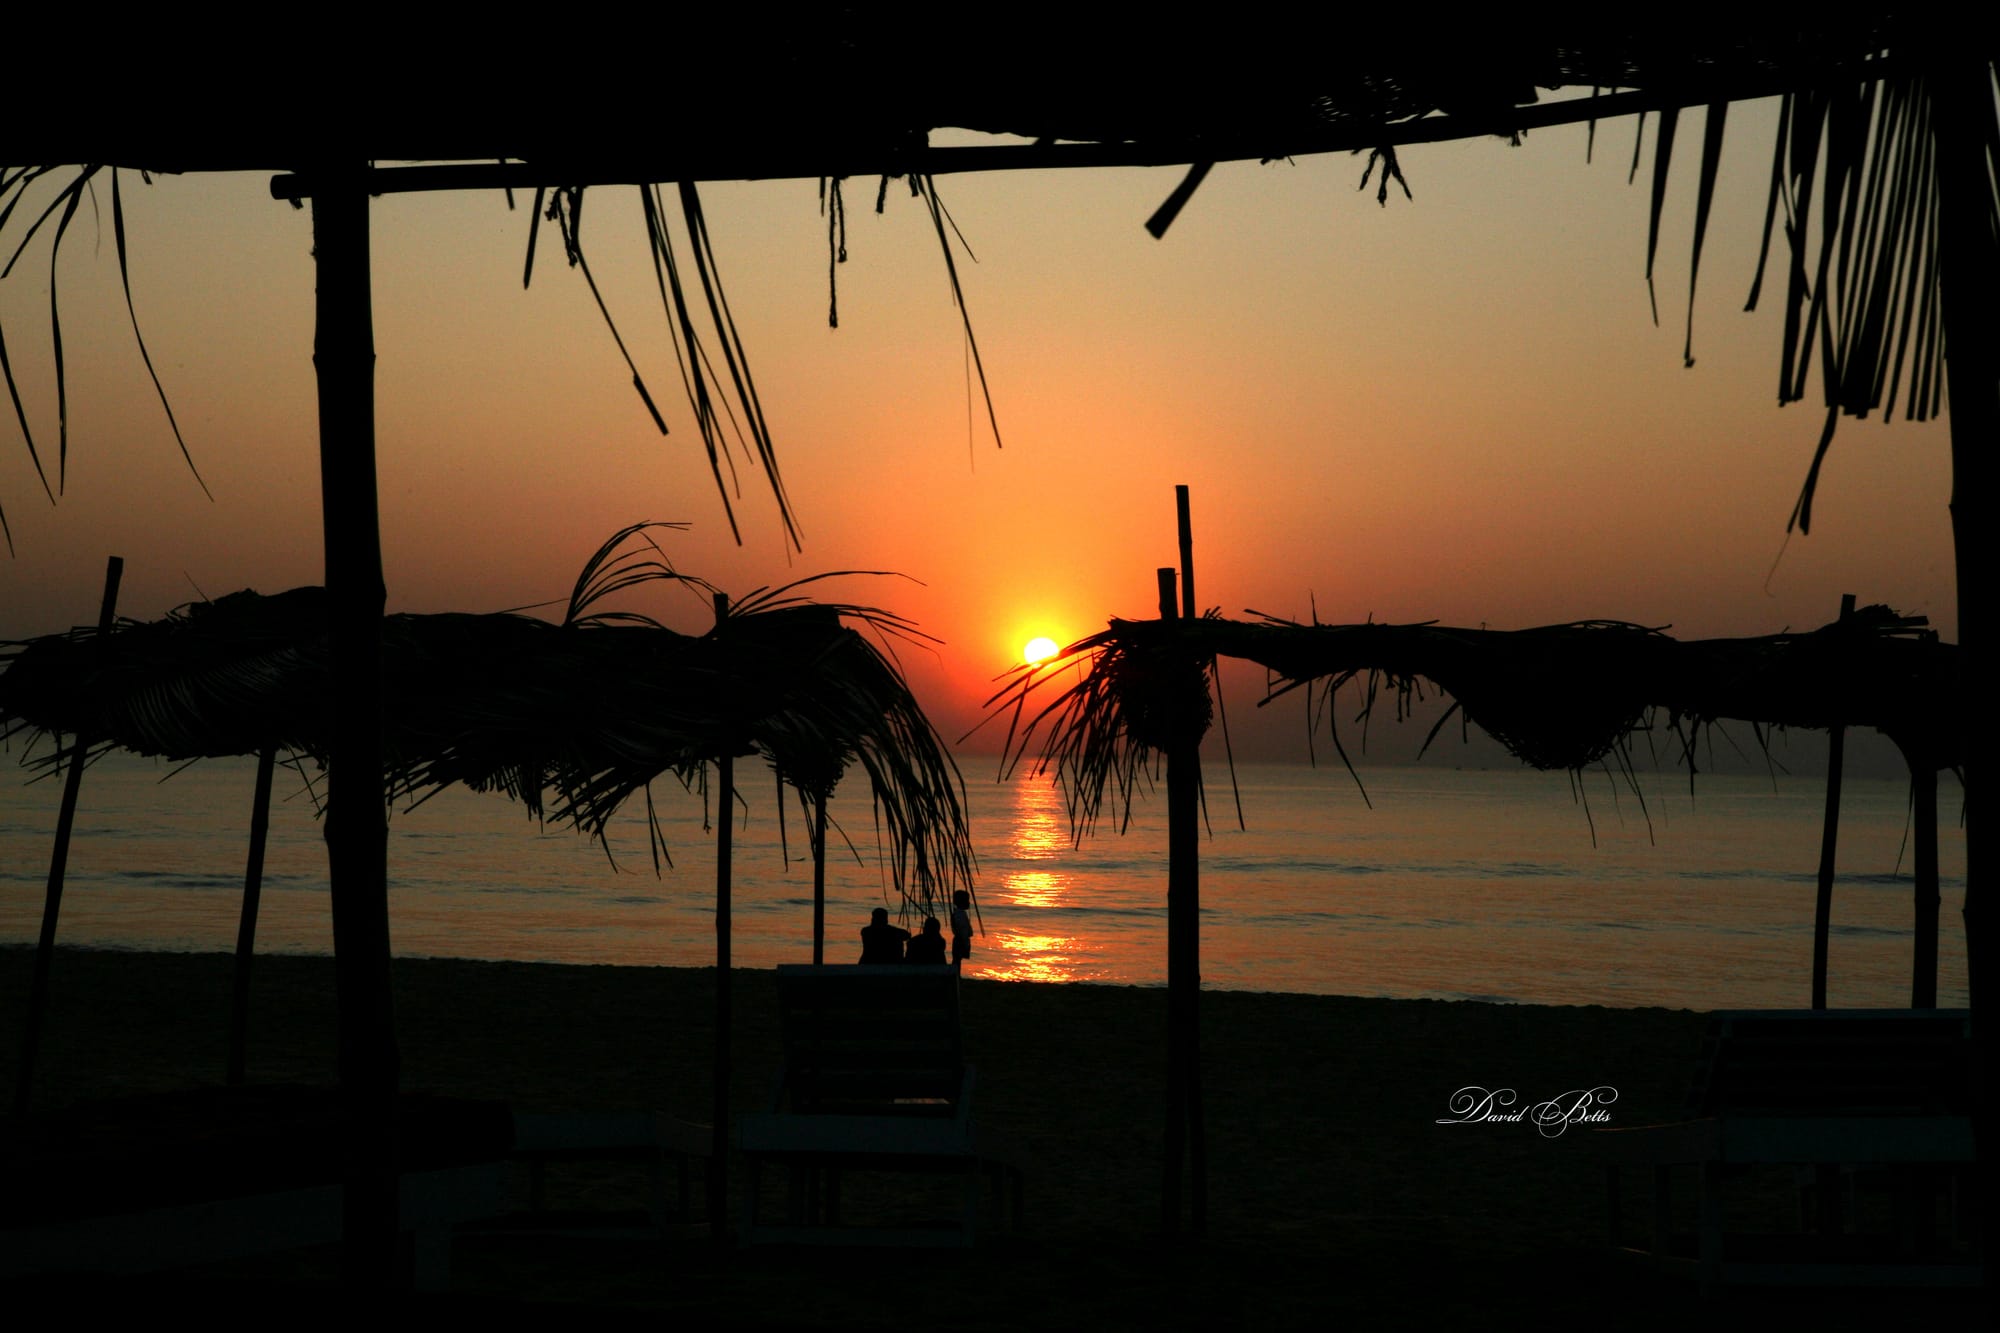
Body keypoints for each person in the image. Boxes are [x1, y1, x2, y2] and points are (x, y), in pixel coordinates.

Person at [949, 890, 973, 965]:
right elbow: (963, 930)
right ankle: (956, 975)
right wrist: (966, 942)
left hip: (959, 939)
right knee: (957, 960)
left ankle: (956, 974)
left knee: (957, 959)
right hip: (961, 940)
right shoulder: (960, 915)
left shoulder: (958, 913)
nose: (969, 903)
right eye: (967, 900)